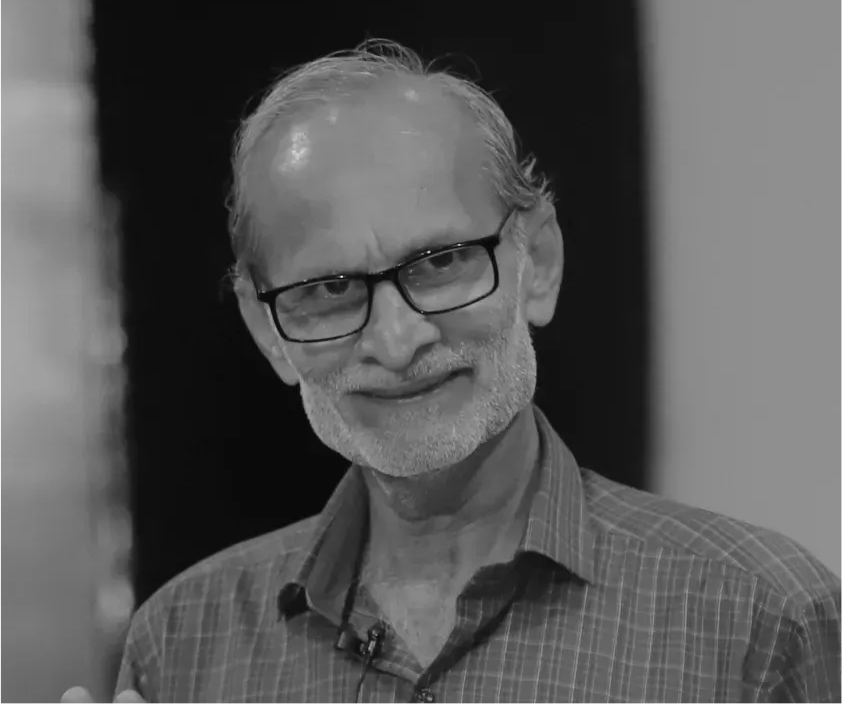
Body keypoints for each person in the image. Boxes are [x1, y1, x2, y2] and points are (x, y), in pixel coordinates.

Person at [62, 40, 842, 704]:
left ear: (537, 262)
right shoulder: (184, 644)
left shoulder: (758, 622)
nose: (397, 341)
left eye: (439, 263)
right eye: (330, 290)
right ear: (268, 329)